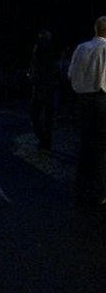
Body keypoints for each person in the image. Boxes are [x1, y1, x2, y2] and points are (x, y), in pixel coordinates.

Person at [68, 16, 106, 208]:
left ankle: (83, 187)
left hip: (83, 100)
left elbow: (70, 74)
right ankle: (99, 191)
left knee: (85, 144)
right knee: (101, 147)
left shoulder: (81, 48)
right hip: (102, 99)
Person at [28, 30, 58, 152]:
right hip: (50, 87)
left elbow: (35, 68)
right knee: (48, 118)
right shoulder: (52, 52)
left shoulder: (38, 50)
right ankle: (47, 142)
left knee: (34, 116)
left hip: (40, 87)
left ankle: (43, 139)